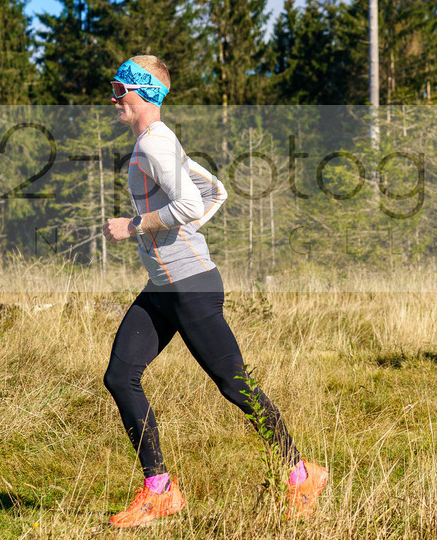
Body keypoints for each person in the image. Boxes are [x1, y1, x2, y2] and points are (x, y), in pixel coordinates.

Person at [102, 55, 327, 528]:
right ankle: (159, 491)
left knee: (234, 384)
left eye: (120, 88)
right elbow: (215, 191)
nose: (114, 97)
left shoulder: (156, 145)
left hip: (191, 286)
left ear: (144, 93)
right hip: (165, 286)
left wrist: (135, 226)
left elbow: (187, 201)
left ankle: (302, 474)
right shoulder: (157, 142)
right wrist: (178, 233)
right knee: (121, 376)